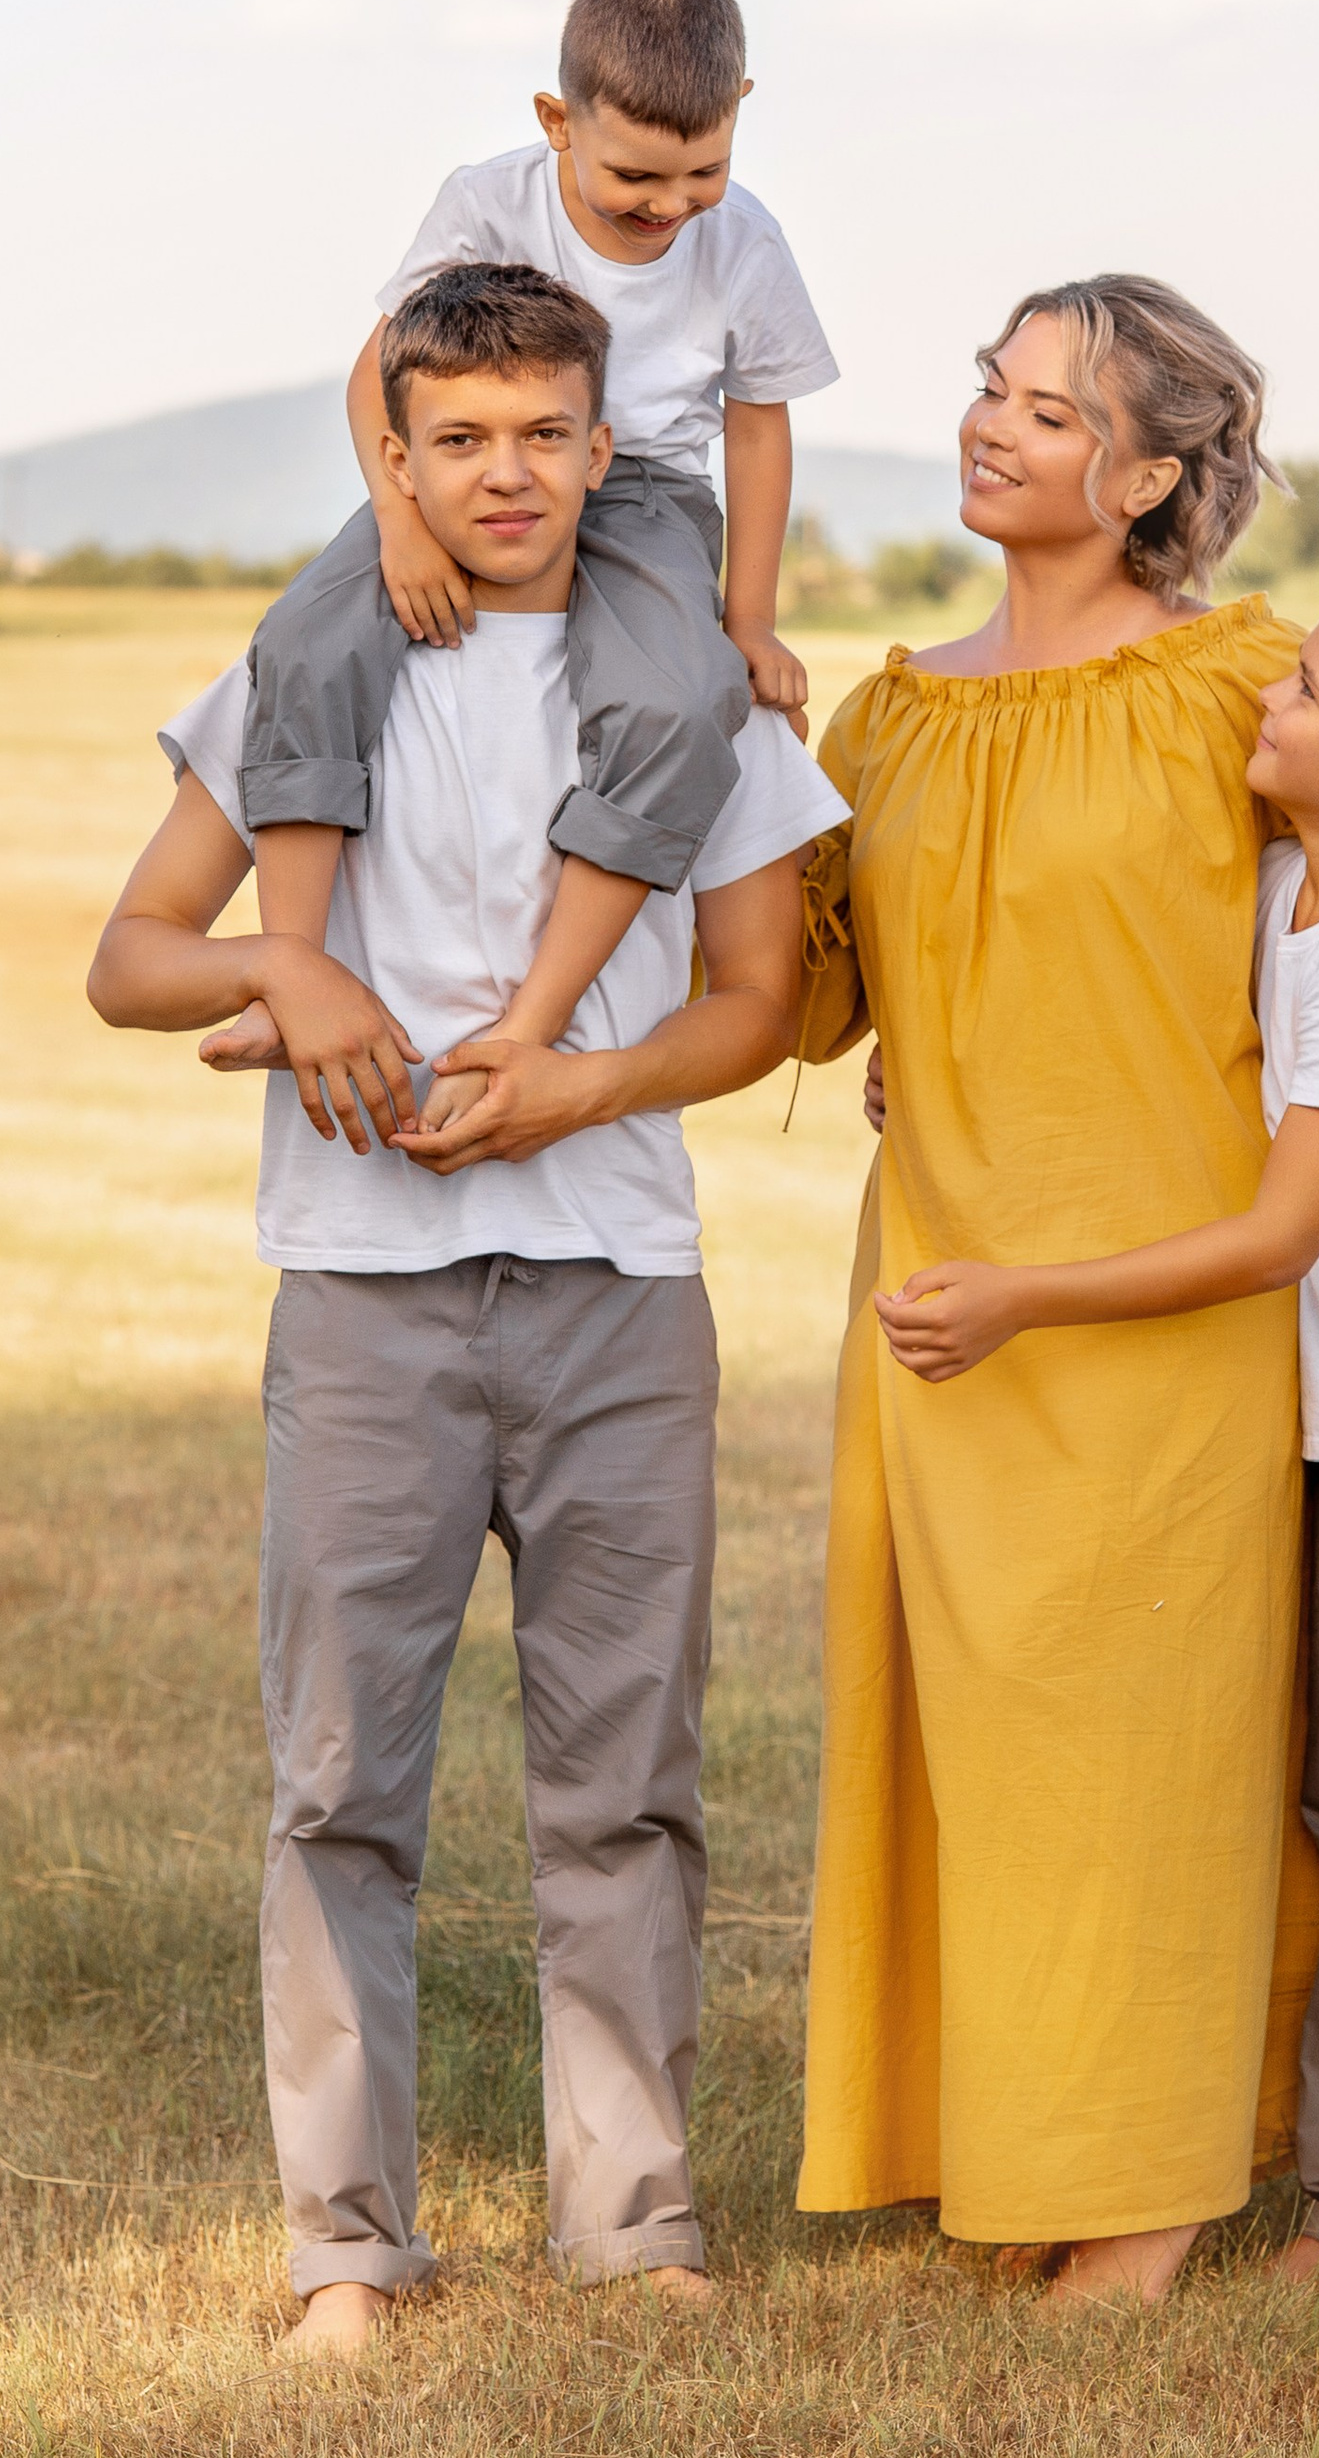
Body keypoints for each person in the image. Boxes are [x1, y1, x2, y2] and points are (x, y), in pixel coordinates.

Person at [791, 276, 1319, 2307]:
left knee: (1148, 1752)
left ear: (1154, 472)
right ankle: (1013, 2148)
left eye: (1042, 405)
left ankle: (1155, 2193)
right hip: (940, 1293)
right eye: (985, 391)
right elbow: (819, 999)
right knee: (973, 1747)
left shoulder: (1238, 690)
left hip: (1168, 1307)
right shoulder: (882, 713)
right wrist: (740, 776)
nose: (987, 425)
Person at [86, 261, 845, 2349]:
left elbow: (762, 1003)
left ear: (606, 453)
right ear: (396, 459)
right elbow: (131, 956)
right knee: (342, 1784)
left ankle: (634, 2220)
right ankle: (347, 2242)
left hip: (617, 1285)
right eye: (460, 440)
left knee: (626, 1775)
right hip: (363, 1303)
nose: (504, 473)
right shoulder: (313, 670)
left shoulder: (684, 686)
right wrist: (286, 968)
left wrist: (578, 1084)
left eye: (542, 436)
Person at [231, 0, 838, 1129]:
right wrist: (402, 528)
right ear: (557, 124)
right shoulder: (485, 201)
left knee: (677, 702)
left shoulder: (747, 245)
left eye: (703, 171)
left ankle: (532, 1019)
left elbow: (757, 437)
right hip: (466, 471)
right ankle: (287, 971)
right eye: (633, 180)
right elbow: (377, 376)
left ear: (740, 116)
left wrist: (747, 621)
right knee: (304, 644)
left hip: (648, 490)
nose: (669, 206)